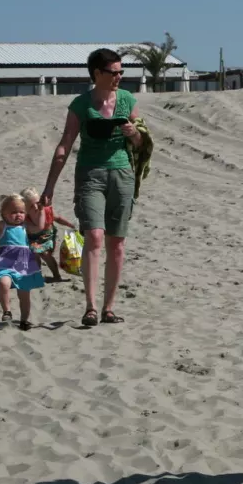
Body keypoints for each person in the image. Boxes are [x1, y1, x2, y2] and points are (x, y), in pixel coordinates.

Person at [40, 48, 141, 327]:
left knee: (117, 243)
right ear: (97, 73)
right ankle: (91, 307)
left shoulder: (128, 101)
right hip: (90, 175)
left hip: (122, 174)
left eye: (122, 72)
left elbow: (142, 144)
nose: (119, 77)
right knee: (94, 237)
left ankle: (109, 307)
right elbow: (64, 146)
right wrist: (49, 187)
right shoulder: (80, 104)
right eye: (113, 72)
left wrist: (135, 135)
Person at [0, 194, 46, 330]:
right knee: (3, 282)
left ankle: (24, 320)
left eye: (21, 212)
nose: (18, 215)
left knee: (24, 293)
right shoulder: (3, 226)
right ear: (4, 214)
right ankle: (7, 311)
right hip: (5, 263)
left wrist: (42, 210)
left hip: (24, 264)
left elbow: (40, 227)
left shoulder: (26, 226)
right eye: (13, 212)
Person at [21, 185, 77, 282]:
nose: (35, 207)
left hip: (47, 235)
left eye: (37, 203)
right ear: (25, 208)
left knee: (46, 254)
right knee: (34, 254)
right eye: (30, 206)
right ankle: (37, 276)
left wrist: (70, 225)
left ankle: (56, 275)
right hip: (32, 237)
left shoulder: (46, 211)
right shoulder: (26, 218)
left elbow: (58, 218)